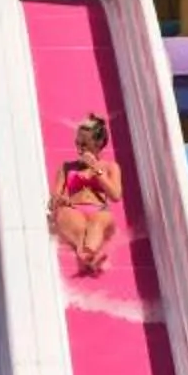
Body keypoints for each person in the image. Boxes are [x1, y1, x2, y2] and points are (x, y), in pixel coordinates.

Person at [48, 112, 121, 277]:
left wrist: (96, 170)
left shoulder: (110, 167)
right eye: (77, 143)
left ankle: (87, 255)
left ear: (99, 144)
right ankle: (90, 256)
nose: (79, 148)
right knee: (78, 226)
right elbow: (54, 198)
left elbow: (116, 195)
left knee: (99, 221)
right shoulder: (67, 167)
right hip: (73, 210)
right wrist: (59, 200)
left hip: (98, 211)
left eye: (85, 144)